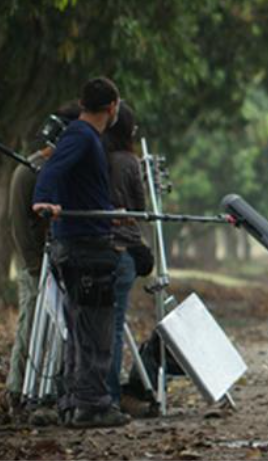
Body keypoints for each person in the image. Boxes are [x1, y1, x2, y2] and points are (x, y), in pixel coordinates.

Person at [32, 77, 130, 428]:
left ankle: (76, 402)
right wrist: (43, 199)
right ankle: (91, 405)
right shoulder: (80, 135)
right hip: (83, 250)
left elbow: (81, 188)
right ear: (112, 107)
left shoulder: (87, 138)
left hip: (88, 238)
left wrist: (108, 215)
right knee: (94, 330)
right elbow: (53, 169)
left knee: (82, 327)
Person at [5, 103, 81, 426]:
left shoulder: (63, 170)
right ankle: (17, 392)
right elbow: (21, 229)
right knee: (30, 328)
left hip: (59, 266)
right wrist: (36, 268)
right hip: (37, 267)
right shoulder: (28, 172)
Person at [101, 101, 148, 410]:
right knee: (115, 327)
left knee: (89, 327)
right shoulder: (129, 163)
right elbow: (140, 208)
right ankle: (111, 397)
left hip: (90, 248)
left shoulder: (93, 157)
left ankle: (90, 394)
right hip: (121, 252)